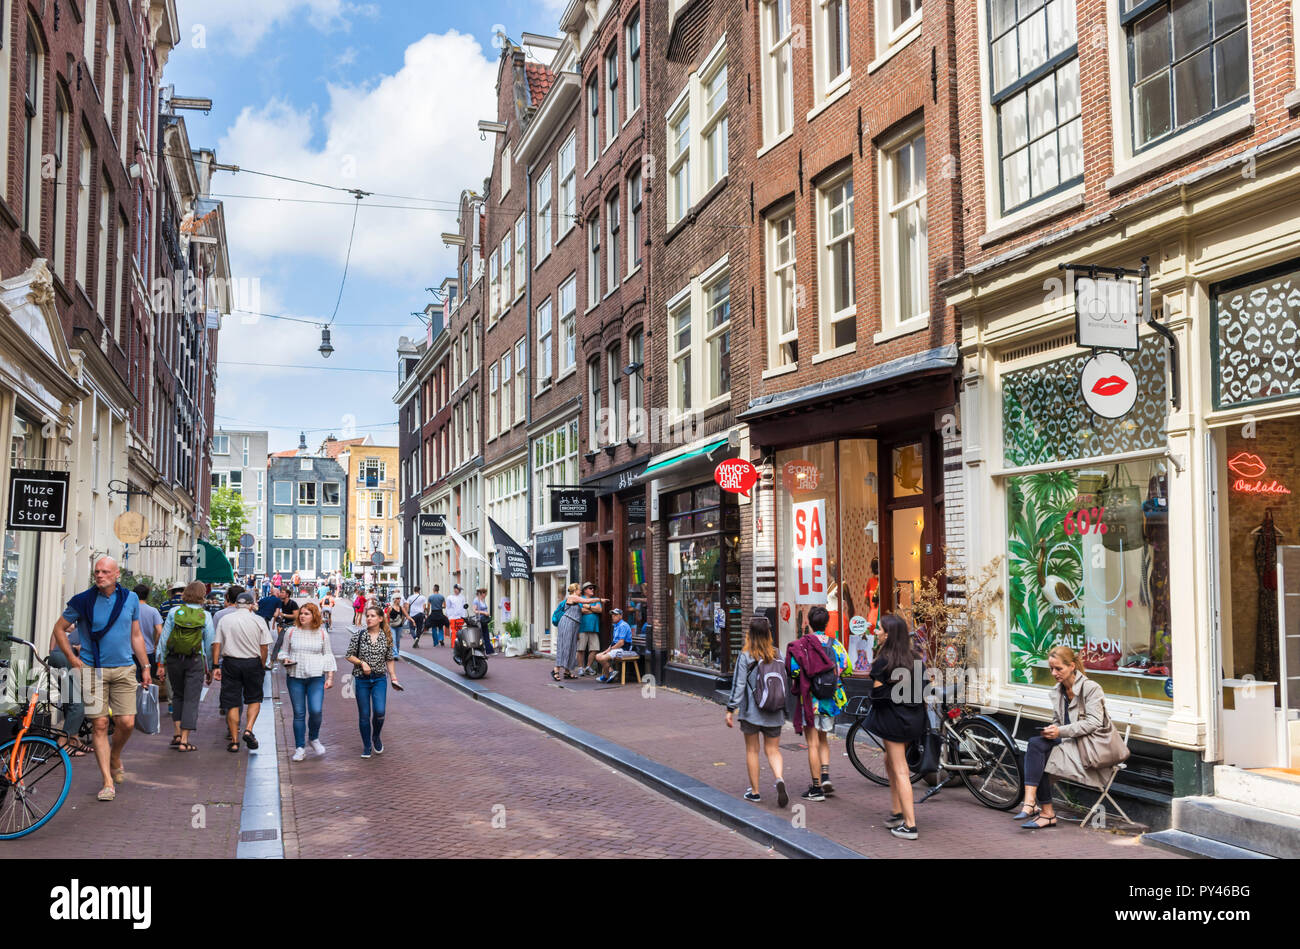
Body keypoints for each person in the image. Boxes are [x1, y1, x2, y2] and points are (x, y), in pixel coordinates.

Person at [50, 556, 152, 802]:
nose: (100, 575)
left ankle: (115, 754)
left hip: (125, 668)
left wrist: (145, 666)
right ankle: (107, 780)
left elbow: (136, 635)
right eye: (97, 571)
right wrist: (73, 660)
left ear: (117, 574)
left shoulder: (129, 599)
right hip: (93, 670)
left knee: (126, 722)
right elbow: (59, 629)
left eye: (105, 572)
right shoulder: (82, 601)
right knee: (100, 725)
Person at [1014, 644, 1128, 830]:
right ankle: (1034, 805)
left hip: (1091, 749)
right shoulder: (1058, 691)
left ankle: (1041, 810)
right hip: (1069, 743)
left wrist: (1060, 732)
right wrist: (1052, 729)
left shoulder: (1091, 688)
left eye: (1058, 668)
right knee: (1036, 745)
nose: (1054, 673)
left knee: (1040, 755)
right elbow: (1059, 722)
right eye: (1051, 668)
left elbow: (1094, 723)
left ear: (1072, 666)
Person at [864, 613, 927, 840]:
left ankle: (909, 825)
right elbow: (923, 692)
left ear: (889, 634)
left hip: (893, 721)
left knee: (900, 769)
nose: (876, 632)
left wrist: (884, 687)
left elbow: (878, 695)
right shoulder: (916, 658)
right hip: (913, 720)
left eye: (879, 629)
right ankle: (896, 811)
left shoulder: (883, 661)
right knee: (889, 762)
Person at [785, 605, 852, 802]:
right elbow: (846, 667)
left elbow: (794, 670)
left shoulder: (803, 644)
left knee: (812, 742)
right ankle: (825, 776)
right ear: (826, 623)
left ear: (810, 623)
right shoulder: (836, 644)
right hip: (829, 700)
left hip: (810, 699)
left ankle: (816, 788)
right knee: (823, 739)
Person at [726, 616, 789, 806]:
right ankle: (779, 778)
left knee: (752, 751)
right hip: (774, 711)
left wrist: (730, 709)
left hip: (752, 712)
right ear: (769, 633)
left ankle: (755, 792)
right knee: (773, 750)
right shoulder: (778, 653)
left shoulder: (746, 655)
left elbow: (738, 685)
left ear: (750, 634)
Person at [155, 581, 216, 753]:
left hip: (174, 660)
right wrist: (210, 668)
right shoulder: (205, 616)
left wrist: (160, 663)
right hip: (195, 660)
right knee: (191, 699)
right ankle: (184, 740)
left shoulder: (175, 612)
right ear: (202, 595)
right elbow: (210, 643)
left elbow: (164, 639)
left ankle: (176, 733)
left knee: (178, 696)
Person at [213, 592, 274, 754]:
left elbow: (217, 644)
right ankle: (248, 729)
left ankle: (234, 741)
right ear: (251, 604)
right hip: (252, 662)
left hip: (231, 662)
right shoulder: (258, 620)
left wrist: (215, 666)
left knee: (232, 702)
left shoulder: (225, 620)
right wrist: (261, 664)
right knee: (254, 698)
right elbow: (264, 647)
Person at [345, 605, 402, 758]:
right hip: (361, 679)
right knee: (364, 714)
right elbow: (349, 655)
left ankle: (376, 736)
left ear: (380, 619)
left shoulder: (386, 637)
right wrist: (361, 663)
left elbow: (389, 659)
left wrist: (394, 678)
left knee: (380, 712)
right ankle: (367, 746)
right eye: (367, 616)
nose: (369, 618)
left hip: (379, 679)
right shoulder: (359, 635)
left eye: (372, 616)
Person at [281, 602, 336, 761]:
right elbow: (283, 651)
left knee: (316, 710)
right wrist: (285, 659)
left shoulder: (322, 633)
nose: (302, 616)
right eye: (301, 613)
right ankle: (299, 747)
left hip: (316, 677)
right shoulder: (291, 632)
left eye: (306, 613)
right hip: (295, 677)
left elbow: (328, 655)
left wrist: (330, 677)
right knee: (299, 713)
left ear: (314, 616)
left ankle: (313, 738)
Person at [551, 584, 603, 681]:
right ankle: (556, 670)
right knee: (564, 646)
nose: (581, 591)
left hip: (574, 625)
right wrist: (600, 600)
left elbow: (590, 609)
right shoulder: (572, 597)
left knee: (571, 648)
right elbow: (587, 602)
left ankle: (567, 671)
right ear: (575, 590)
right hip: (567, 623)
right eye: (579, 589)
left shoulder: (577, 599)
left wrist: (591, 608)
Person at [594, 608, 637, 682]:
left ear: (621, 616)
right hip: (616, 648)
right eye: (613, 615)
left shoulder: (623, 625)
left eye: (616, 615)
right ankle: (610, 672)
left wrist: (610, 650)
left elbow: (621, 643)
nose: (613, 616)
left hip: (623, 649)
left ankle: (608, 674)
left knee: (602, 658)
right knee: (597, 656)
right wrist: (607, 650)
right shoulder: (616, 625)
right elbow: (614, 642)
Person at [134, 585, 164, 686]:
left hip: (131, 651)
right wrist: (155, 645)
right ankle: (145, 702)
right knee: (147, 682)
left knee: (132, 684)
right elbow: (160, 632)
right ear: (147, 596)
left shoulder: (129, 610)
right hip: (148, 651)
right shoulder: (153, 611)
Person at [267, 586, 300, 669]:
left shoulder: (293, 603)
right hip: (285, 625)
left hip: (293, 624)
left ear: (287, 595)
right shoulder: (281, 603)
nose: (281, 594)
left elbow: (296, 616)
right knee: (280, 642)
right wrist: (274, 623)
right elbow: (278, 614)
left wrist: (284, 615)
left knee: (286, 643)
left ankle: (275, 661)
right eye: (280, 592)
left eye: (282, 592)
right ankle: (273, 661)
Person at [575, 581, 603, 676]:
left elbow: (599, 610)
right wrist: (593, 610)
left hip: (594, 628)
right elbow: (581, 610)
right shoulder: (580, 599)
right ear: (585, 590)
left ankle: (588, 667)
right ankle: (580, 668)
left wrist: (589, 607)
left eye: (593, 588)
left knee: (595, 649)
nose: (592, 590)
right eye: (590, 588)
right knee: (581, 649)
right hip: (582, 627)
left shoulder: (596, 599)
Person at [387, 594, 411, 660]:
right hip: (392, 626)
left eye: (400, 598)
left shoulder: (401, 608)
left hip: (399, 626)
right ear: (394, 599)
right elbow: (386, 617)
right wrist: (385, 625)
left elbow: (407, 615)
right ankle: (395, 655)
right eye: (397, 598)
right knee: (394, 640)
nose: (399, 600)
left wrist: (412, 620)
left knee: (397, 641)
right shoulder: (390, 608)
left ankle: (396, 652)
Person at [472, 588, 494, 654]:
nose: (486, 595)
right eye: (485, 594)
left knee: (486, 635)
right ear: (482, 593)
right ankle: (481, 650)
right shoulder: (476, 600)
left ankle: (489, 651)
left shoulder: (482, 600)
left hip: (484, 620)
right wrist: (484, 613)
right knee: (481, 635)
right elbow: (474, 610)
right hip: (480, 620)